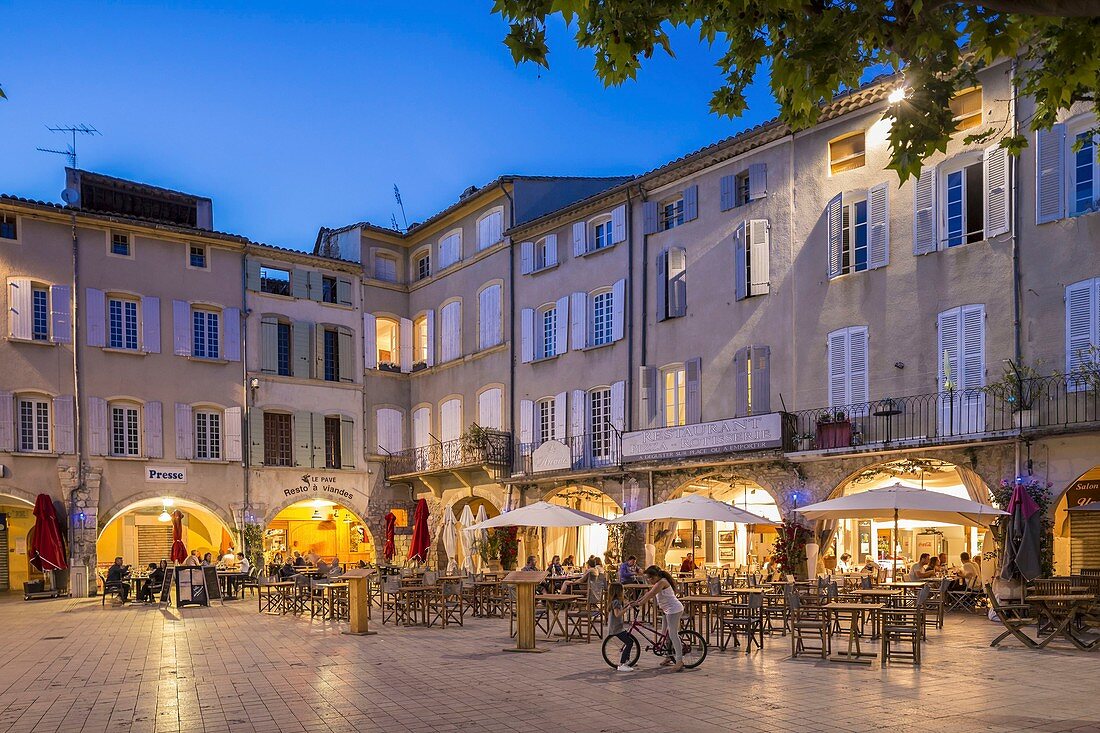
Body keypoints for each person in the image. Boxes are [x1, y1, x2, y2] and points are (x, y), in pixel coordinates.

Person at [629, 566, 685, 672]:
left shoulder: (662, 582)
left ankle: (679, 661)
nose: (649, 580)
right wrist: (637, 601)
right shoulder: (658, 582)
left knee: (673, 634)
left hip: (674, 610)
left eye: (650, 578)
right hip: (667, 610)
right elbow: (648, 593)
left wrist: (639, 603)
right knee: (664, 634)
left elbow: (651, 594)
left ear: (656, 576)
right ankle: (669, 656)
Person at [607, 583, 636, 672]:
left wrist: (628, 605)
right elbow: (617, 614)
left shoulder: (616, 601)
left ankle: (627, 660)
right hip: (616, 628)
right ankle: (622, 663)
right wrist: (627, 609)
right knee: (629, 642)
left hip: (618, 627)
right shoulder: (616, 602)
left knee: (629, 640)